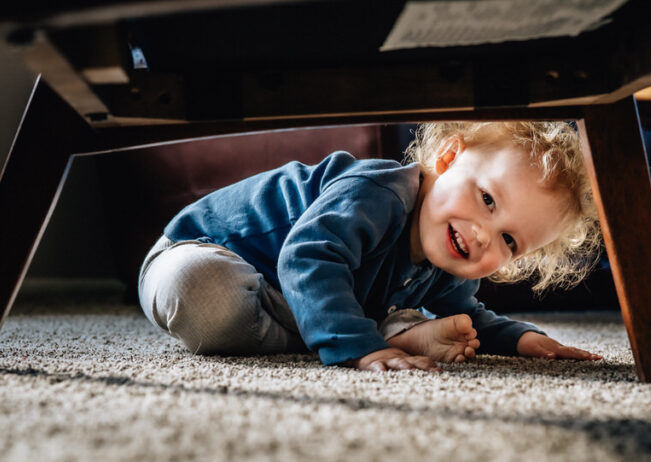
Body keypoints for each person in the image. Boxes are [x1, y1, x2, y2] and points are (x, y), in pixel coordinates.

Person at [138, 120, 603, 372]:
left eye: (509, 240)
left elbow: (470, 316)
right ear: (447, 158)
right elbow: (306, 257)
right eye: (486, 199)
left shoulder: (452, 256)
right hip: (210, 255)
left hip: (283, 304)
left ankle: (362, 328)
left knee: (424, 312)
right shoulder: (378, 191)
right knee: (200, 290)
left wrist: (523, 339)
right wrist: (365, 350)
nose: (483, 234)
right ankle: (376, 332)